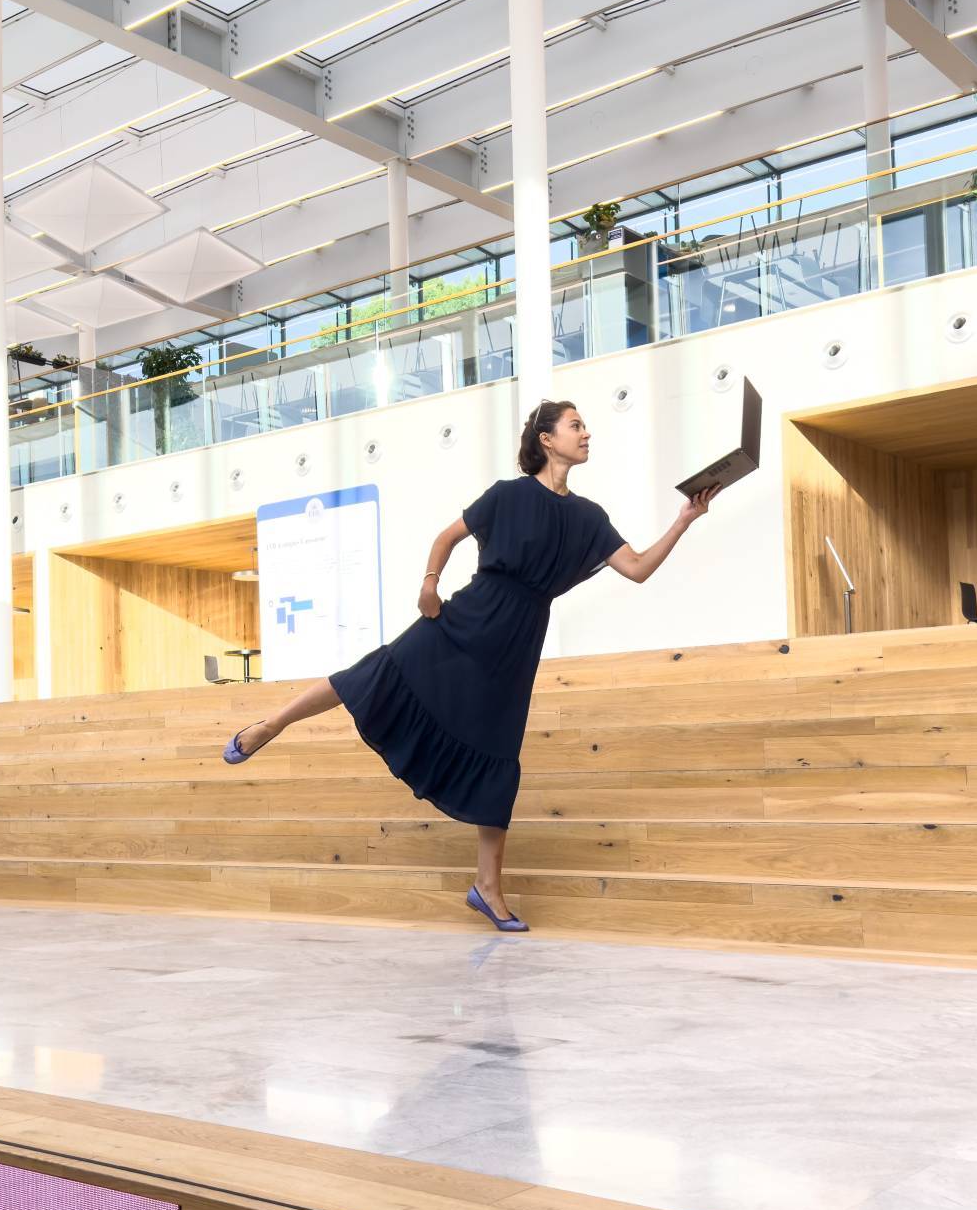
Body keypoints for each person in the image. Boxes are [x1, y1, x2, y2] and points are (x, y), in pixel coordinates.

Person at [224, 399, 716, 932]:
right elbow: (446, 538)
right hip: (466, 619)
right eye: (576, 425)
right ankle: (272, 724)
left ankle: (487, 888)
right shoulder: (508, 495)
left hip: (517, 643)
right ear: (547, 439)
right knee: (376, 672)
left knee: (497, 754)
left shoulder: (589, 517)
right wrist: (429, 584)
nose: (587, 433)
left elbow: (639, 568)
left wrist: (685, 519)